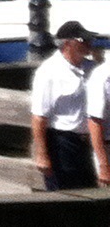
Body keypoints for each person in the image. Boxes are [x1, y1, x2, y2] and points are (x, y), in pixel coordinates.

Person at [30, 20, 101, 193]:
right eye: (83, 40)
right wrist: (42, 154)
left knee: (93, 191)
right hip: (63, 142)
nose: (88, 44)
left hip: (89, 142)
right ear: (67, 44)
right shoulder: (49, 72)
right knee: (66, 192)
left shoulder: (92, 68)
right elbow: (39, 117)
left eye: (89, 40)